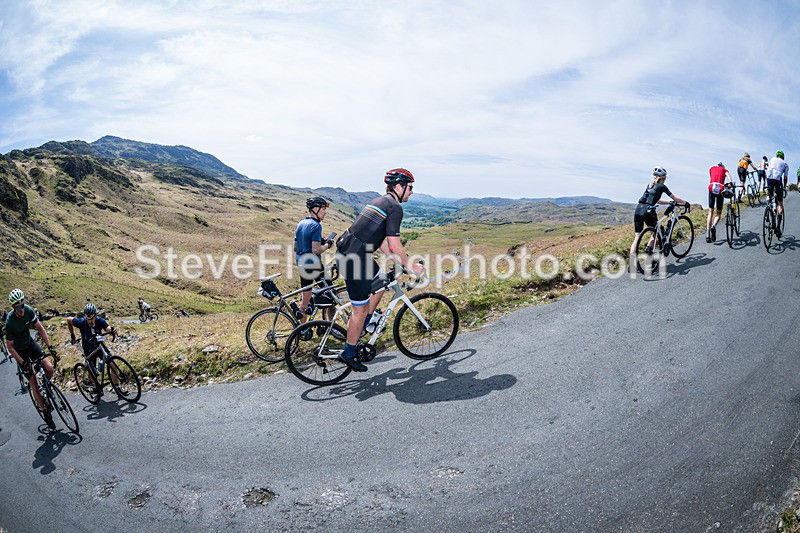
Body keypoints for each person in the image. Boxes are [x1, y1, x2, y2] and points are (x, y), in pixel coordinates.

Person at [335, 168, 425, 371]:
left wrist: (400, 262)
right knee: (359, 309)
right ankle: (348, 354)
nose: (411, 192)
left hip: (353, 254)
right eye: (410, 187)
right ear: (399, 186)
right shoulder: (395, 207)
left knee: (380, 282)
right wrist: (410, 267)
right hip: (354, 260)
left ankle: (366, 323)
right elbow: (394, 244)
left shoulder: (380, 201)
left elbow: (383, 242)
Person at [4, 289, 58, 428]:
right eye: (18, 307)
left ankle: (47, 386)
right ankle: (44, 410)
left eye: (22, 305)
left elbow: (40, 328)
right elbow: (9, 347)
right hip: (20, 352)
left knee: (49, 368)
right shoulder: (10, 322)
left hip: (30, 344)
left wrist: (50, 347)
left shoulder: (28, 310)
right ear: (13, 307)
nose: (21, 309)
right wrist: (23, 362)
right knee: (33, 383)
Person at [629, 167, 690, 262]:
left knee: (637, 237)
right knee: (655, 232)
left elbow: (655, 200)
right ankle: (650, 253)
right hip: (648, 210)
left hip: (638, 209)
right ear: (662, 177)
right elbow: (675, 198)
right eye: (665, 177)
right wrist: (686, 203)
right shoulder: (662, 186)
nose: (665, 179)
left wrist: (668, 202)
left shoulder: (650, 185)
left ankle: (632, 264)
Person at [294, 197, 334, 326]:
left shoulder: (301, 224)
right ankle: (331, 326)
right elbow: (316, 250)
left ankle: (302, 329)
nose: (325, 212)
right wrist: (327, 245)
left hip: (302, 264)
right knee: (331, 293)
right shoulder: (316, 225)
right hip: (313, 264)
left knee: (305, 297)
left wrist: (320, 240)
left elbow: (296, 247)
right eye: (323, 209)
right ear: (315, 209)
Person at [67, 303, 115, 371]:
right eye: (87, 316)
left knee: (113, 364)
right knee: (92, 373)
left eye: (91, 316)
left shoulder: (99, 320)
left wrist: (112, 331)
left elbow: (107, 328)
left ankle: (115, 382)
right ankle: (92, 380)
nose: (89, 320)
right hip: (88, 350)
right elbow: (69, 319)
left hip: (100, 347)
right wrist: (72, 334)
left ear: (95, 315)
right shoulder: (81, 322)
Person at [706, 163, 732, 242]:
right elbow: (729, 178)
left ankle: (707, 234)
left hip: (711, 188)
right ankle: (714, 226)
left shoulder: (711, 168)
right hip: (720, 189)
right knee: (718, 212)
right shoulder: (725, 170)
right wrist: (730, 183)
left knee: (710, 211)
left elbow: (712, 176)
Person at [767, 150, 789, 238]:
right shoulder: (785, 164)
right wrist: (784, 187)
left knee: (770, 195)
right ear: (783, 157)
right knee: (780, 203)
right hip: (777, 180)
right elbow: (785, 177)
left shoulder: (772, 159)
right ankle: (778, 227)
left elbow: (768, 169)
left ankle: (770, 207)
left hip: (769, 178)